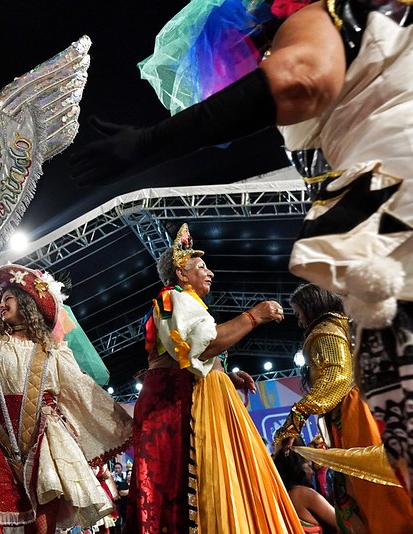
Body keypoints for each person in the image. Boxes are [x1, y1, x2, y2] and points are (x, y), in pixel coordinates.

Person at [68, 0, 413, 492]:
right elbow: (197, 351)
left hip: (399, 224)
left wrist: (149, 142)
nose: (265, 63)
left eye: (264, 52)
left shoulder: (324, 13)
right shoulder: (170, 303)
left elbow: (301, 77)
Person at [127, 223, 301, 533]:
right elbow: (204, 346)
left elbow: (192, 357)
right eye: (201, 267)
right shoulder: (173, 298)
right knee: (199, 486)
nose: (210, 273)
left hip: (189, 399)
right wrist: (253, 316)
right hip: (177, 408)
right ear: (181, 274)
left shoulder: (182, 302)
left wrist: (226, 376)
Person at [0, 265, 132, 533]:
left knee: (40, 530)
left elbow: (84, 392)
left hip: (43, 448)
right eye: (0, 300)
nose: (1, 305)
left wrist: (126, 423)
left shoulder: (54, 352)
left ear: (27, 303)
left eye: (8, 298)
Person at [274, 283, 413, 532]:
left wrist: (296, 417)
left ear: (310, 306)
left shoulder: (325, 330)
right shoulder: (339, 327)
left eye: (298, 313)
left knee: (371, 485)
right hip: (354, 411)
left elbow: (336, 377)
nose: (299, 320)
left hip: (354, 414)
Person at [274, 451, 337, 534]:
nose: (313, 473)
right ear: (297, 468)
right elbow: (343, 523)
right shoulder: (302, 494)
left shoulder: (283, 497)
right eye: (309, 466)